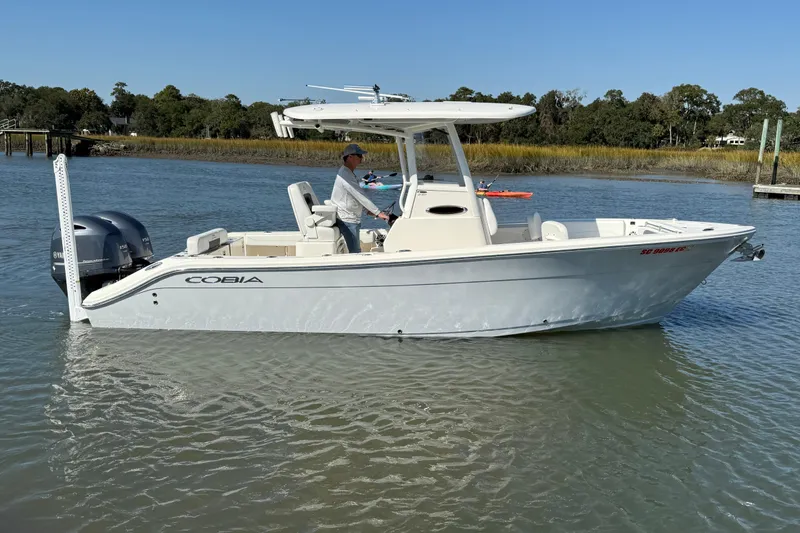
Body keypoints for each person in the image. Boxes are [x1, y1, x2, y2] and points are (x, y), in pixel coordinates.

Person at [330, 144, 390, 253]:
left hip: (351, 218)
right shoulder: (345, 175)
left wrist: (367, 211)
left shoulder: (348, 173)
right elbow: (360, 195)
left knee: (356, 250)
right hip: (347, 219)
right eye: (359, 155)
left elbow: (354, 198)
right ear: (350, 157)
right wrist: (378, 212)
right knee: (355, 252)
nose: (362, 158)